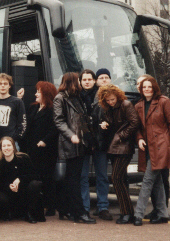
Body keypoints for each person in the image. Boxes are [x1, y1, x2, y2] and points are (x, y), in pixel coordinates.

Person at [133, 77, 170, 226]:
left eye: (149, 86)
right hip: (147, 148)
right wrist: (139, 138)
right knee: (157, 182)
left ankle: (138, 215)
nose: (147, 89)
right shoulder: (139, 105)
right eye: (144, 87)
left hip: (161, 147)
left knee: (147, 181)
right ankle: (163, 213)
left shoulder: (164, 101)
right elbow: (137, 127)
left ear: (154, 88)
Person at [53, 72, 96, 224]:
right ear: (71, 82)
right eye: (78, 80)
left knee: (72, 178)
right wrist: (71, 135)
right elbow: (59, 121)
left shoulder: (77, 97)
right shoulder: (60, 98)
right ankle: (78, 213)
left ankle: (67, 209)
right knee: (73, 179)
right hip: (70, 143)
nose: (80, 83)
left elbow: (82, 119)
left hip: (80, 142)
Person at [97, 84, 139, 224]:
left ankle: (127, 213)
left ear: (117, 96)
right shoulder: (109, 108)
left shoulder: (126, 104)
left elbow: (134, 122)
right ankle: (126, 212)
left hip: (124, 146)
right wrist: (105, 124)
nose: (110, 102)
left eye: (112, 99)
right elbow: (113, 124)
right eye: (108, 100)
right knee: (119, 179)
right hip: (114, 146)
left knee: (116, 178)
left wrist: (121, 136)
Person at [78, 69, 112, 220]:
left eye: (89, 79)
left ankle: (103, 207)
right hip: (84, 142)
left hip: (100, 141)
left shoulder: (103, 97)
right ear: (80, 82)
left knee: (102, 175)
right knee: (83, 176)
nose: (87, 82)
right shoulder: (76, 98)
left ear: (94, 81)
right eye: (84, 79)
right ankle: (84, 207)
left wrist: (106, 123)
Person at [21, 81, 58, 216]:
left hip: (46, 150)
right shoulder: (33, 108)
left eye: (39, 92)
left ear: (46, 94)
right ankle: (38, 204)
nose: (35, 94)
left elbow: (54, 128)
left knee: (47, 177)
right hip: (32, 147)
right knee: (35, 176)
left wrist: (45, 141)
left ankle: (51, 206)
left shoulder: (52, 110)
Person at [0, 136, 43, 223]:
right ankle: (8, 212)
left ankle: (29, 213)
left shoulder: (23, 158)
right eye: (4, 146)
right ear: (1, 148)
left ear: (13, 147)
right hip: (8, 193)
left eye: (9, 145)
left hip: (24, 191)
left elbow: (35, 175)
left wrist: (20, 179)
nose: (6, 148)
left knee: (35, 184)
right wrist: (9, 186)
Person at [0, 73, 26, 145]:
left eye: (5, 83)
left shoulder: (17, 102)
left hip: (12, 142)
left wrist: (15, 138)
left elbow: (22, 122)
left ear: (9, 85)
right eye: (0, 83)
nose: (2, 86)